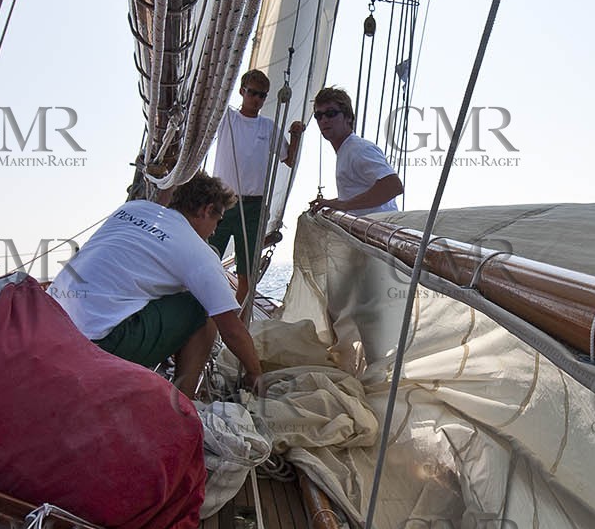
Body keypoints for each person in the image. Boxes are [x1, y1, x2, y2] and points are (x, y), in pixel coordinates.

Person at [49, 172, 264, 397]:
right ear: (206, 210)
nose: (214, 231)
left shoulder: (131, 209)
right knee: (202, 309)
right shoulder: (199, 253)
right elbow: (231, 329)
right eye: (216, 222)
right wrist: (254, 373)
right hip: (100, 344)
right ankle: (183, 403)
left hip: (56, 327)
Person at [209, 70, 304, 307]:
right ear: (242, 91)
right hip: (221, 202)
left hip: (254, 208)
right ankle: (201, 320)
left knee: (247, 277)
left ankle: (236, 324)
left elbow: (288, 159)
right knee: (207, 265)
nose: (257, 99)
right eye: (252, 93)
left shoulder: (268, 127)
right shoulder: (226, 120)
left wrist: (295, 136)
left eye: (262, 95)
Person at [300, 86, 403, 214]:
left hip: (378, 229)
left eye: (330, 113)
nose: (324, 120)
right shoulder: (346, 151)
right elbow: (358, 193)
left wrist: (343, 205)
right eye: (318, 116)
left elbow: (393, 186)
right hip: (366, 229)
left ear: (348, 117)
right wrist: (335, 204)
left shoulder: (359, 149)